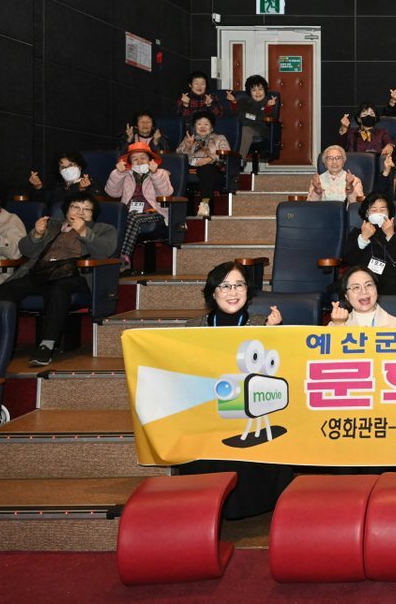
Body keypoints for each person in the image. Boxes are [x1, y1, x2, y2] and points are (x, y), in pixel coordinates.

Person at [178, 261, 291, 520]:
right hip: (208, 409)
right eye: (225, 286)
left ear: (247, 291)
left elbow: (277, 373)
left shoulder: (263, 324)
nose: (233, 292)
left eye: (239, 285)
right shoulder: (192, 328)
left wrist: (275, 335)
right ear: (213, 292)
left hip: (249, 410)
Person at [0, 191, 116, 366]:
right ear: (66, 210)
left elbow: (104, 252)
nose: (80, 212)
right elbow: (25, 250)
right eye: (75, 207)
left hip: (74, 275)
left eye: (86, 209)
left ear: (93, 214)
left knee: (58, 288)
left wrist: (83, 231)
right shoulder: (52, 226)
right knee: (7, 289)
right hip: (42, 273)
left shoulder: (104, 229)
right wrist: (36, 234)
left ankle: (46, 345)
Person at [105, 141, 175, 273]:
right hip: (129, 213)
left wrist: (155, 174)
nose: (139, 161)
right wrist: (118, 174)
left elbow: (166, 193)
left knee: (132, 217)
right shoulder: (125, 174)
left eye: (143, 158)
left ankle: (123, 257)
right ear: (129, 162)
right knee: (126, 217)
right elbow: (112, 193)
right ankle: (113, 259)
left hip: (154, 212)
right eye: (135, 159)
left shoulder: (161, 173)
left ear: (150, 160)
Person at [342, 193, 396, 295]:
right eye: (374, 210)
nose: (378, 212)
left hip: (389, 276)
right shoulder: (357, 233)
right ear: (367, 213)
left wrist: (390, 235)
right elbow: (349, 260)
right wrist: (363, 238)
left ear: (389, 213)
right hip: (362, 275)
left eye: (382, 210)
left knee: (391, 284)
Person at [176, 110, 230, 219]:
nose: (202, 127)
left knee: (207, 169)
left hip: (212, 169)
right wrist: (188, 147)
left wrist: (210, 159)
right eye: (199, 124)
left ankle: (205, 204)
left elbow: (226, 153)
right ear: (194, 127)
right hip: (190, 168)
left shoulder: (219, 138)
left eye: (206, 124)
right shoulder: (189, 139)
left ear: (212, 128)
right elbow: (178, 156)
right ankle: (178, 213)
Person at [328, 266, 396, 327]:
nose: (364, 291)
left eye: (368, 285)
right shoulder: (334, 325)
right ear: (346, 296)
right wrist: (339, 325)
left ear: (376, 289)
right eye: (356, 287)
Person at [29, 151, 98, 213]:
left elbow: (91, 207)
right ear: (59, 171)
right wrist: (38, 187)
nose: (67, 169)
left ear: (79, 167)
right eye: (63, 167)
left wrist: (82, 190)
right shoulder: (56, 185)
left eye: (71, 165)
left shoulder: (90, 183)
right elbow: (42, 204)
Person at [234, 75, 278, 157]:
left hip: (259, 130)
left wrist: (268, 107)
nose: (257, 93)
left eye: (260, 89)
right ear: (249, 92)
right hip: (241, 126)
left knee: (245, 130)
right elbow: (237, 115)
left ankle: (239, 160)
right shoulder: (243, 101)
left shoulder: (268, 103)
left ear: (265, 90)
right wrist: (233, 103)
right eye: (254, 90)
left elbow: (264, 120)